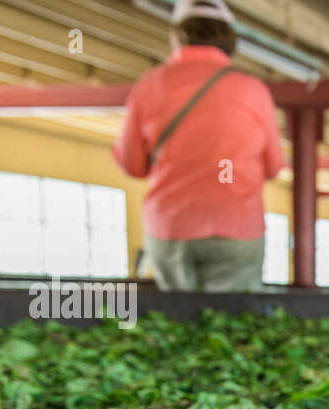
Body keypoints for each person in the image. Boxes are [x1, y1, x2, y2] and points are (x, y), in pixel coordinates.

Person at [113, 0, 285, 292]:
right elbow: (273, 166)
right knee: (232, 321)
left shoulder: (150, 85)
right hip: (236, 227)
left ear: (178, 35)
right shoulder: (252, 89)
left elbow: (132, 165)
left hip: (172, 227)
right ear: (229, 39)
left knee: (180, 322)